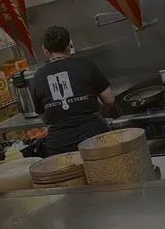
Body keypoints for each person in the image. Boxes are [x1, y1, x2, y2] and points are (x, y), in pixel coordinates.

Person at [32, 26, 115, 156]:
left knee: (68, 170)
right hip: (94, 139)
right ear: (69, 45)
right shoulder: (86, 66)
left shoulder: (38, 76)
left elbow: (44, 117)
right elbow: (109, 100)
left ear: (45, 50)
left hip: (59, 145)